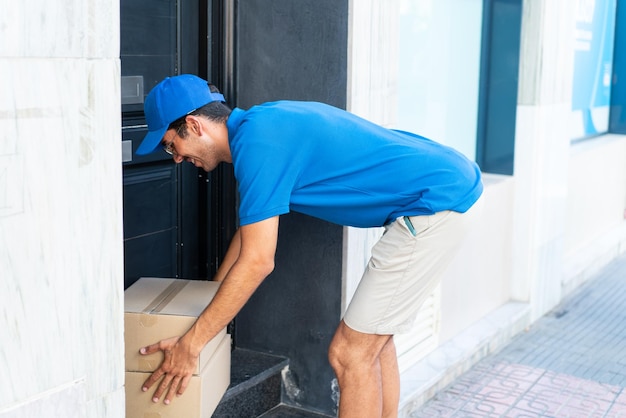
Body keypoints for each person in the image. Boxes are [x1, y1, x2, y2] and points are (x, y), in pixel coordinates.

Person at [135, 74, 483, 418]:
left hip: (435, 203)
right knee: (373, 342)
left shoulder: (258, 146)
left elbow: (257, 261)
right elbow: (249, 235)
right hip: (441, 191)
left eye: (170, 145)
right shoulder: (260, 128)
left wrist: (192, 344)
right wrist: (209, 302)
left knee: (349, 354)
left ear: (194, 126)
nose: (176, 158)